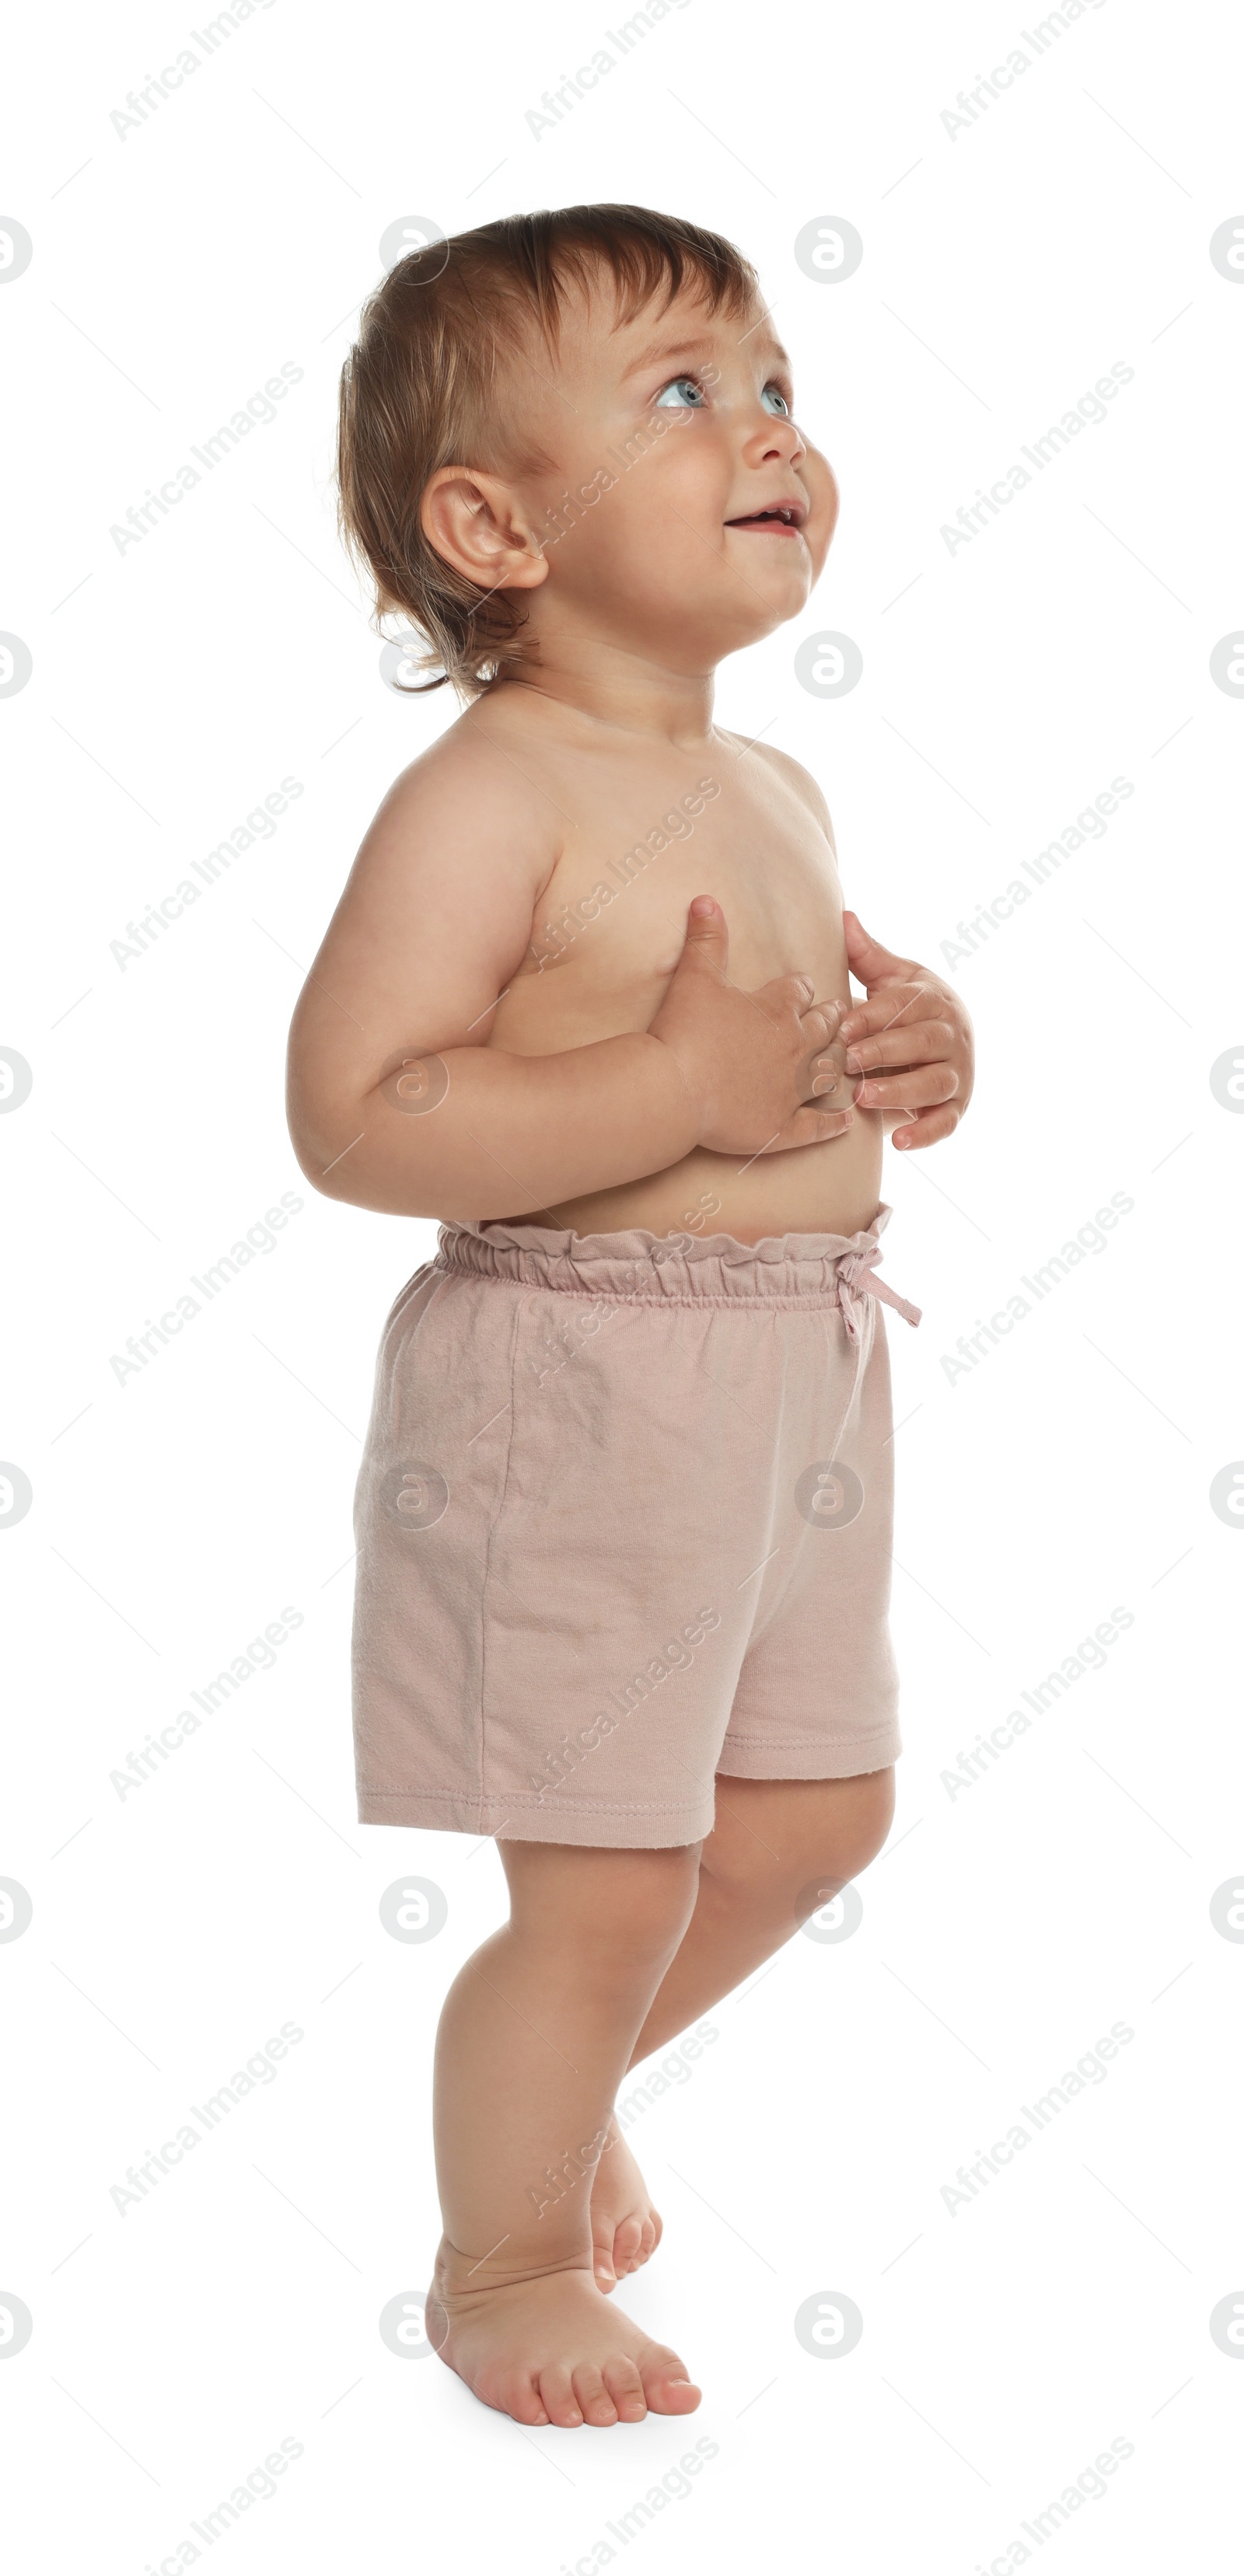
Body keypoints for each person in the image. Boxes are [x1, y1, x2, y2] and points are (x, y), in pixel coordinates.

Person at [286, 204, 973, 2431]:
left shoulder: (771, 779)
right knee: (605, 1874)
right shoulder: (488, 794)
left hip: (801, 1368)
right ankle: (503, 2253)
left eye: (772, 384)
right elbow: (360, 1111)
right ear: (490, 525)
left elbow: (804, 1047)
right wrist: (666, 1089)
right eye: (683, 393)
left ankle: (556, 2102)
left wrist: (918, 1057)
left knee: (810, 1819)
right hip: (577, 1383)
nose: (767, 429)